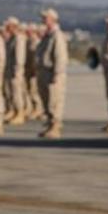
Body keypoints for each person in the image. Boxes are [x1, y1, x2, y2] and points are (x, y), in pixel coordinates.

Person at [35, 8, 68, 138]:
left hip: (52, 73)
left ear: (53, 19)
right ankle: (50, 124)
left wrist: (57, 73)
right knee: (46, 100)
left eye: (46, 18)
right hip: (44, 72)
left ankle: (55, 126)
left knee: (54, 101)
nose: (43, 20)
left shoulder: (57, 35)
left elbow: (60, 56)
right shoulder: (47, 35)